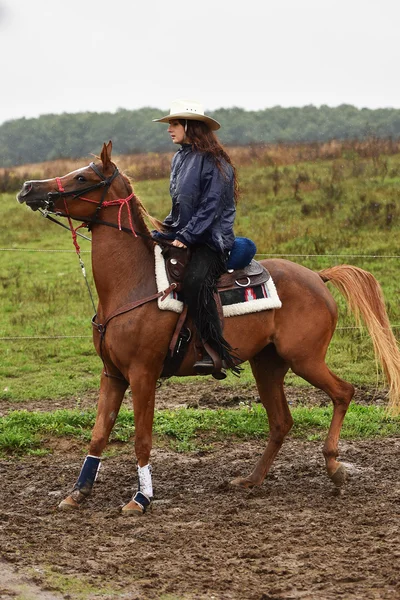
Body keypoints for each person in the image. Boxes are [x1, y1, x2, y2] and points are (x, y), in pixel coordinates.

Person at [152, 99, 241, 378]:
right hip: (185, 235)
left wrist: (188, 237)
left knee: (193, 280)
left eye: (174, 124)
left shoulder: (217, 163)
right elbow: (181, 205)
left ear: (191, 126)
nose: (169, 129)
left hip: (211, 241)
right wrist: (166, 231)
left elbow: (211, 206)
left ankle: (213, 350)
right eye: (169, 124)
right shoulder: (179, 158)